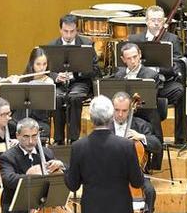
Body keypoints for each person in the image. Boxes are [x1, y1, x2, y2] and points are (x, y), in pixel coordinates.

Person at [127, 5, 187, 144]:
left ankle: (181, 138)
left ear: (164, 22)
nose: (156, 23)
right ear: (146, 21)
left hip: (164, 84)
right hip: (142, 84)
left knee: (181, 91)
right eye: (153, 20)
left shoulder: (172, 39)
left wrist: (158, 70)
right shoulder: (135, 39)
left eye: (159, 20)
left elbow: (177, 65)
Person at [110, 92, 160, 213]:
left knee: (150, 191)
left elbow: (157, 145)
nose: (120, 114)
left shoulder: (140, 125)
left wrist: (141, 137)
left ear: (130, 110)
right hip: (110, 175)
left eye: (124, 111)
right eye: (117, 110)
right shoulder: (104, 126)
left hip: (136, 174)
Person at [48, 14, 100, 144]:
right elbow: (47, 69)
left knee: (75, 97)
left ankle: (74, 139)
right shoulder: (52, 45)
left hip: (80, 81)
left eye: (72, 31)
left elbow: (95, 69)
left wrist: (75, 75)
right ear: (60, 30)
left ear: (77, 30)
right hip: (60, 83)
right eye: (66, 31)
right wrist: (56, 77)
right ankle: (58, 139)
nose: (69, 35)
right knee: (57, 98)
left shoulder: (87, 44)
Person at [112, 43, 163, 143]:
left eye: (135, 57)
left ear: (140, 55)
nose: (133, 61)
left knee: (155, 138)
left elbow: (150, 99)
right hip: (124, 112)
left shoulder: (152, 75)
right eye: (129, 58)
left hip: (145, 112)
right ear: (123, 59)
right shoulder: (119, 75)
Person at [9, 48, 56, 139]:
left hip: (38, 120)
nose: (42, 68)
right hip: (19, 120)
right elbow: (12, 105)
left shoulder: (49, 82)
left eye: (44, 64)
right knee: (9, 125)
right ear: (32, 64)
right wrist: (15, 85)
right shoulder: (23, 79)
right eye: (38, 64)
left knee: (41, 129)